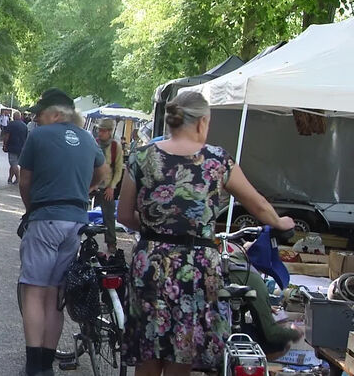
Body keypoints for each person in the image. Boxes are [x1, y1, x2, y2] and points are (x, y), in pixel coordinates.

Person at [117, 91, 295, 376]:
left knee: (148, 350)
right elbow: (257, 203)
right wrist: (281, 221)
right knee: (182, 351)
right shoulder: (217, 160)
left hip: (150, 264)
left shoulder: (141, 157)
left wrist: (158, 230)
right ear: (202, 122)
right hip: (196, 268)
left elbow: (124, 215)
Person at [18, 88, 109, 376]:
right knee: (56, 294)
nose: (37, 118)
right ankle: (47, 365)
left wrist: (32, 209)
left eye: (40, 113)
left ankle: (34, 367)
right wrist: (86, 189)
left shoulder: (38, 136)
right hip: (75, 221)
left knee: (33, 291)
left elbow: (24, 181)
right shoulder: (87, 139)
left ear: (55, 113)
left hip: (45, 218)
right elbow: (103, 172)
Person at [94, 118, 123, 253]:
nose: (100, 133)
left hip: (107, 186)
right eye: (99, 130)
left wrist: (112, 187)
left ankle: (111, 242)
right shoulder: (93, 143)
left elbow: (118, 169)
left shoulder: (115, 147)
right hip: (92, 183)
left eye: (103, 130)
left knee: (109, 216)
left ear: (110, 132)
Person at [3, 110, 27, 185]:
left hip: (12, 147)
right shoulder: (24, 125)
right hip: (21, 147)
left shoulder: (11, 124)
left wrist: (5, 145)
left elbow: (7, 136)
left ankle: (18, 178)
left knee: (13, 163)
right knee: (14, 164)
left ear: (14, 117)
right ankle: (10, 178)